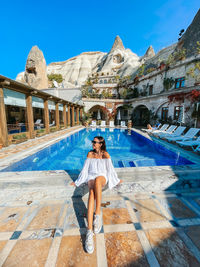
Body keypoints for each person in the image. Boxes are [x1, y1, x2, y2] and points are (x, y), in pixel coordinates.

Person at [70, 136, 122, 254]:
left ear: (101, 144)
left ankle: (97, 214)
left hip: (102, 176)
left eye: (95, 142)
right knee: (92, 192)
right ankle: (89, 232)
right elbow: (85, 170)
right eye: (92, 141)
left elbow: (111, 170)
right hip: (91, 177)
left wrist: (117, 180)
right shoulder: (90, 154)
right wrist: (77, 182)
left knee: (98, 180)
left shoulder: (106, 155)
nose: (92, 143)